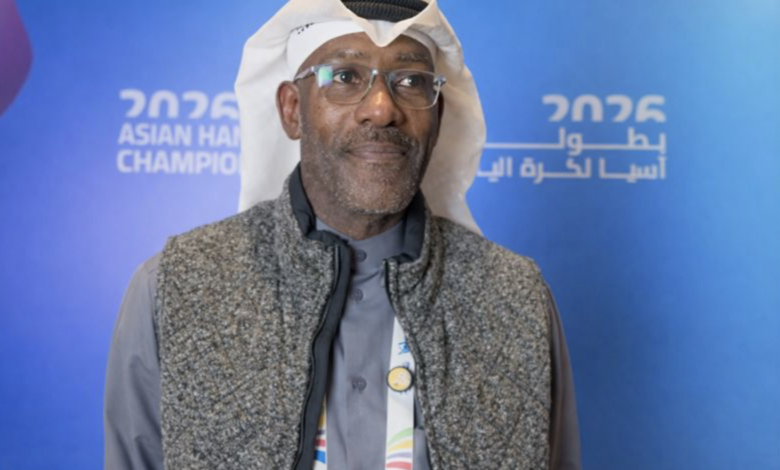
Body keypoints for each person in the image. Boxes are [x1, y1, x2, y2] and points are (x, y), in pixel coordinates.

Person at [104, 0, 582, 469]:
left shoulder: (515, 296)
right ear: (292, 109)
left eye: (410, 81)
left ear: (437, 120)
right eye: (346, 77)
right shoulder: (175, 287)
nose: (381, 109)